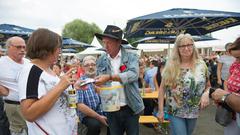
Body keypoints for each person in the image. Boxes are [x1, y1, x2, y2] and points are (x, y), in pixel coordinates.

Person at [18, 28, 78, 135]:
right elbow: (29, 114)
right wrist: (60, 86)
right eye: (58, 47)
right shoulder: (32, 71)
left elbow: (53, 94)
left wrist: (70, 86)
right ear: (47, 48)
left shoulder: (48, 70)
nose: (60, 51)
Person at [94, 25, 144, 135]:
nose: (105, 46)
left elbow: (134, 75)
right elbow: (98, 79)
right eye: (104, 42)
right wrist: (96, 85)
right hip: (111, 108)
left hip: (130, 107)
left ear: (118, 42)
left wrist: (110, 77)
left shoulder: (131, 56)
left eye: (109, 43)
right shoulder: (101, 59)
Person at [157, 33, 210, 135]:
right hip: (175, 111)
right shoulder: (171, 65)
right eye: (182, 46)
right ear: (177, 48)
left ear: (193, 46)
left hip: (194, 111)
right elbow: (162, 89)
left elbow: (208, 86)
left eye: (189, 45)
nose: (186, 48)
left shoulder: (202, 65)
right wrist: (160, 110)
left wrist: (206, 94)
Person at [211, 37, 240, 135]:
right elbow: (227, 80)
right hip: (232, 114)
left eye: (238, 57)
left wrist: (224, 97)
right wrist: (224, 96)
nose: (236, 61)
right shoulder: (235, 65)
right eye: (235, 57)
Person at [0, 36, 29, 135]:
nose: (22, 50)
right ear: (9, 47)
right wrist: (3, 91)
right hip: (14, 106)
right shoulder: (2, 62)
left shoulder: (28, 62)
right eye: (18, 47)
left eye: (24, 47)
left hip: (32, 105)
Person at [75, 55, 109, 135]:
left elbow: (110, 98)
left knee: (116, 121)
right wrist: (99, 117)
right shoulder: (80, 83)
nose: (90, 67)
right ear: (83, 68)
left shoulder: (102, 79)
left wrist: (102, 92)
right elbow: (80, 105)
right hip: (88, 115)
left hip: (104, 112)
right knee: (94, 125)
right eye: (87, 65)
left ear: (96, 66)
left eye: (93, 64)